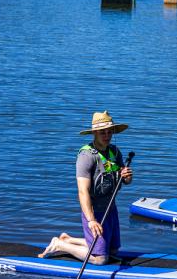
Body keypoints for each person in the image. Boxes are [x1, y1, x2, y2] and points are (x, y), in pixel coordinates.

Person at [38, 111, 133, 264]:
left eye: (109, 132)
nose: (107, 136)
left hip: (110, 208)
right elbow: (82, 192)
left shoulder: (115, 151)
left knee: (113, 250)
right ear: (95, 133)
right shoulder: (86, 156)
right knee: (100, 259)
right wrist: (91, 220)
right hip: (94, 211)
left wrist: (127, 177)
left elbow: (125, 181)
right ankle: (59, 244)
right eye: (103, 132)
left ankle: (69, 239)